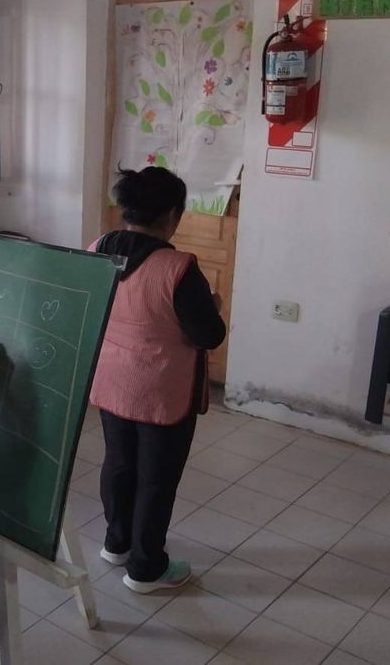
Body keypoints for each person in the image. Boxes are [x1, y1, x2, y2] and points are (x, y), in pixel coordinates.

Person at [88, 167, 227, 594]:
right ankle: (146, 568)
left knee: (118, 463)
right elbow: (209, 335)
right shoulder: (177, 269)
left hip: (111, 381)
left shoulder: (97, 249)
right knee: (156, 478)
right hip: (161, 393)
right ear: (171, 215)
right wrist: (213, 306)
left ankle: (117, 542)